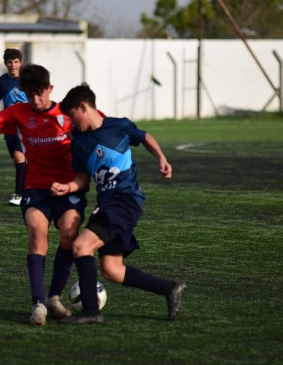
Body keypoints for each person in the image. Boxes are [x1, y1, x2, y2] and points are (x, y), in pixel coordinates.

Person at [0, 64, 86, 325]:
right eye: (29, 94)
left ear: (50, 89)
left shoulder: (67, 114)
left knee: (69, 233)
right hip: (34, 188)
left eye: (40, 94)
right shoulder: (18, 113)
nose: (35, 100)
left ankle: (54, 297)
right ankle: (39, 304)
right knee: (37, 233)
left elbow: (96, 124)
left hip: (67, 187)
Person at [51, 83, 185, 324]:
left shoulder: (118, 126)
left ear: (84, 107)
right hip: (108, 204)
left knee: (81, 246)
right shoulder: (79, 143)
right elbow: (82, 179)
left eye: (71, 116)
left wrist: (162, 159)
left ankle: (92, 311)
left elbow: (144, 136)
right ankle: (169, 289)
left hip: (125, 201)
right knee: (112, 270)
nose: (71, 123)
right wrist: (67, 187)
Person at [0, 48, 29, 206]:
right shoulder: (1, 82)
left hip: (26, 125)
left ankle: (19, 195)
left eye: (16, 62)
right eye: (10, 62)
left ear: (20, 63)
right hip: (10, 126)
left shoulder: (28, 80)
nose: (13, 65)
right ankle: (29, 189)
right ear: (5, 63)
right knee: (18, 161)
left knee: (20, 158)